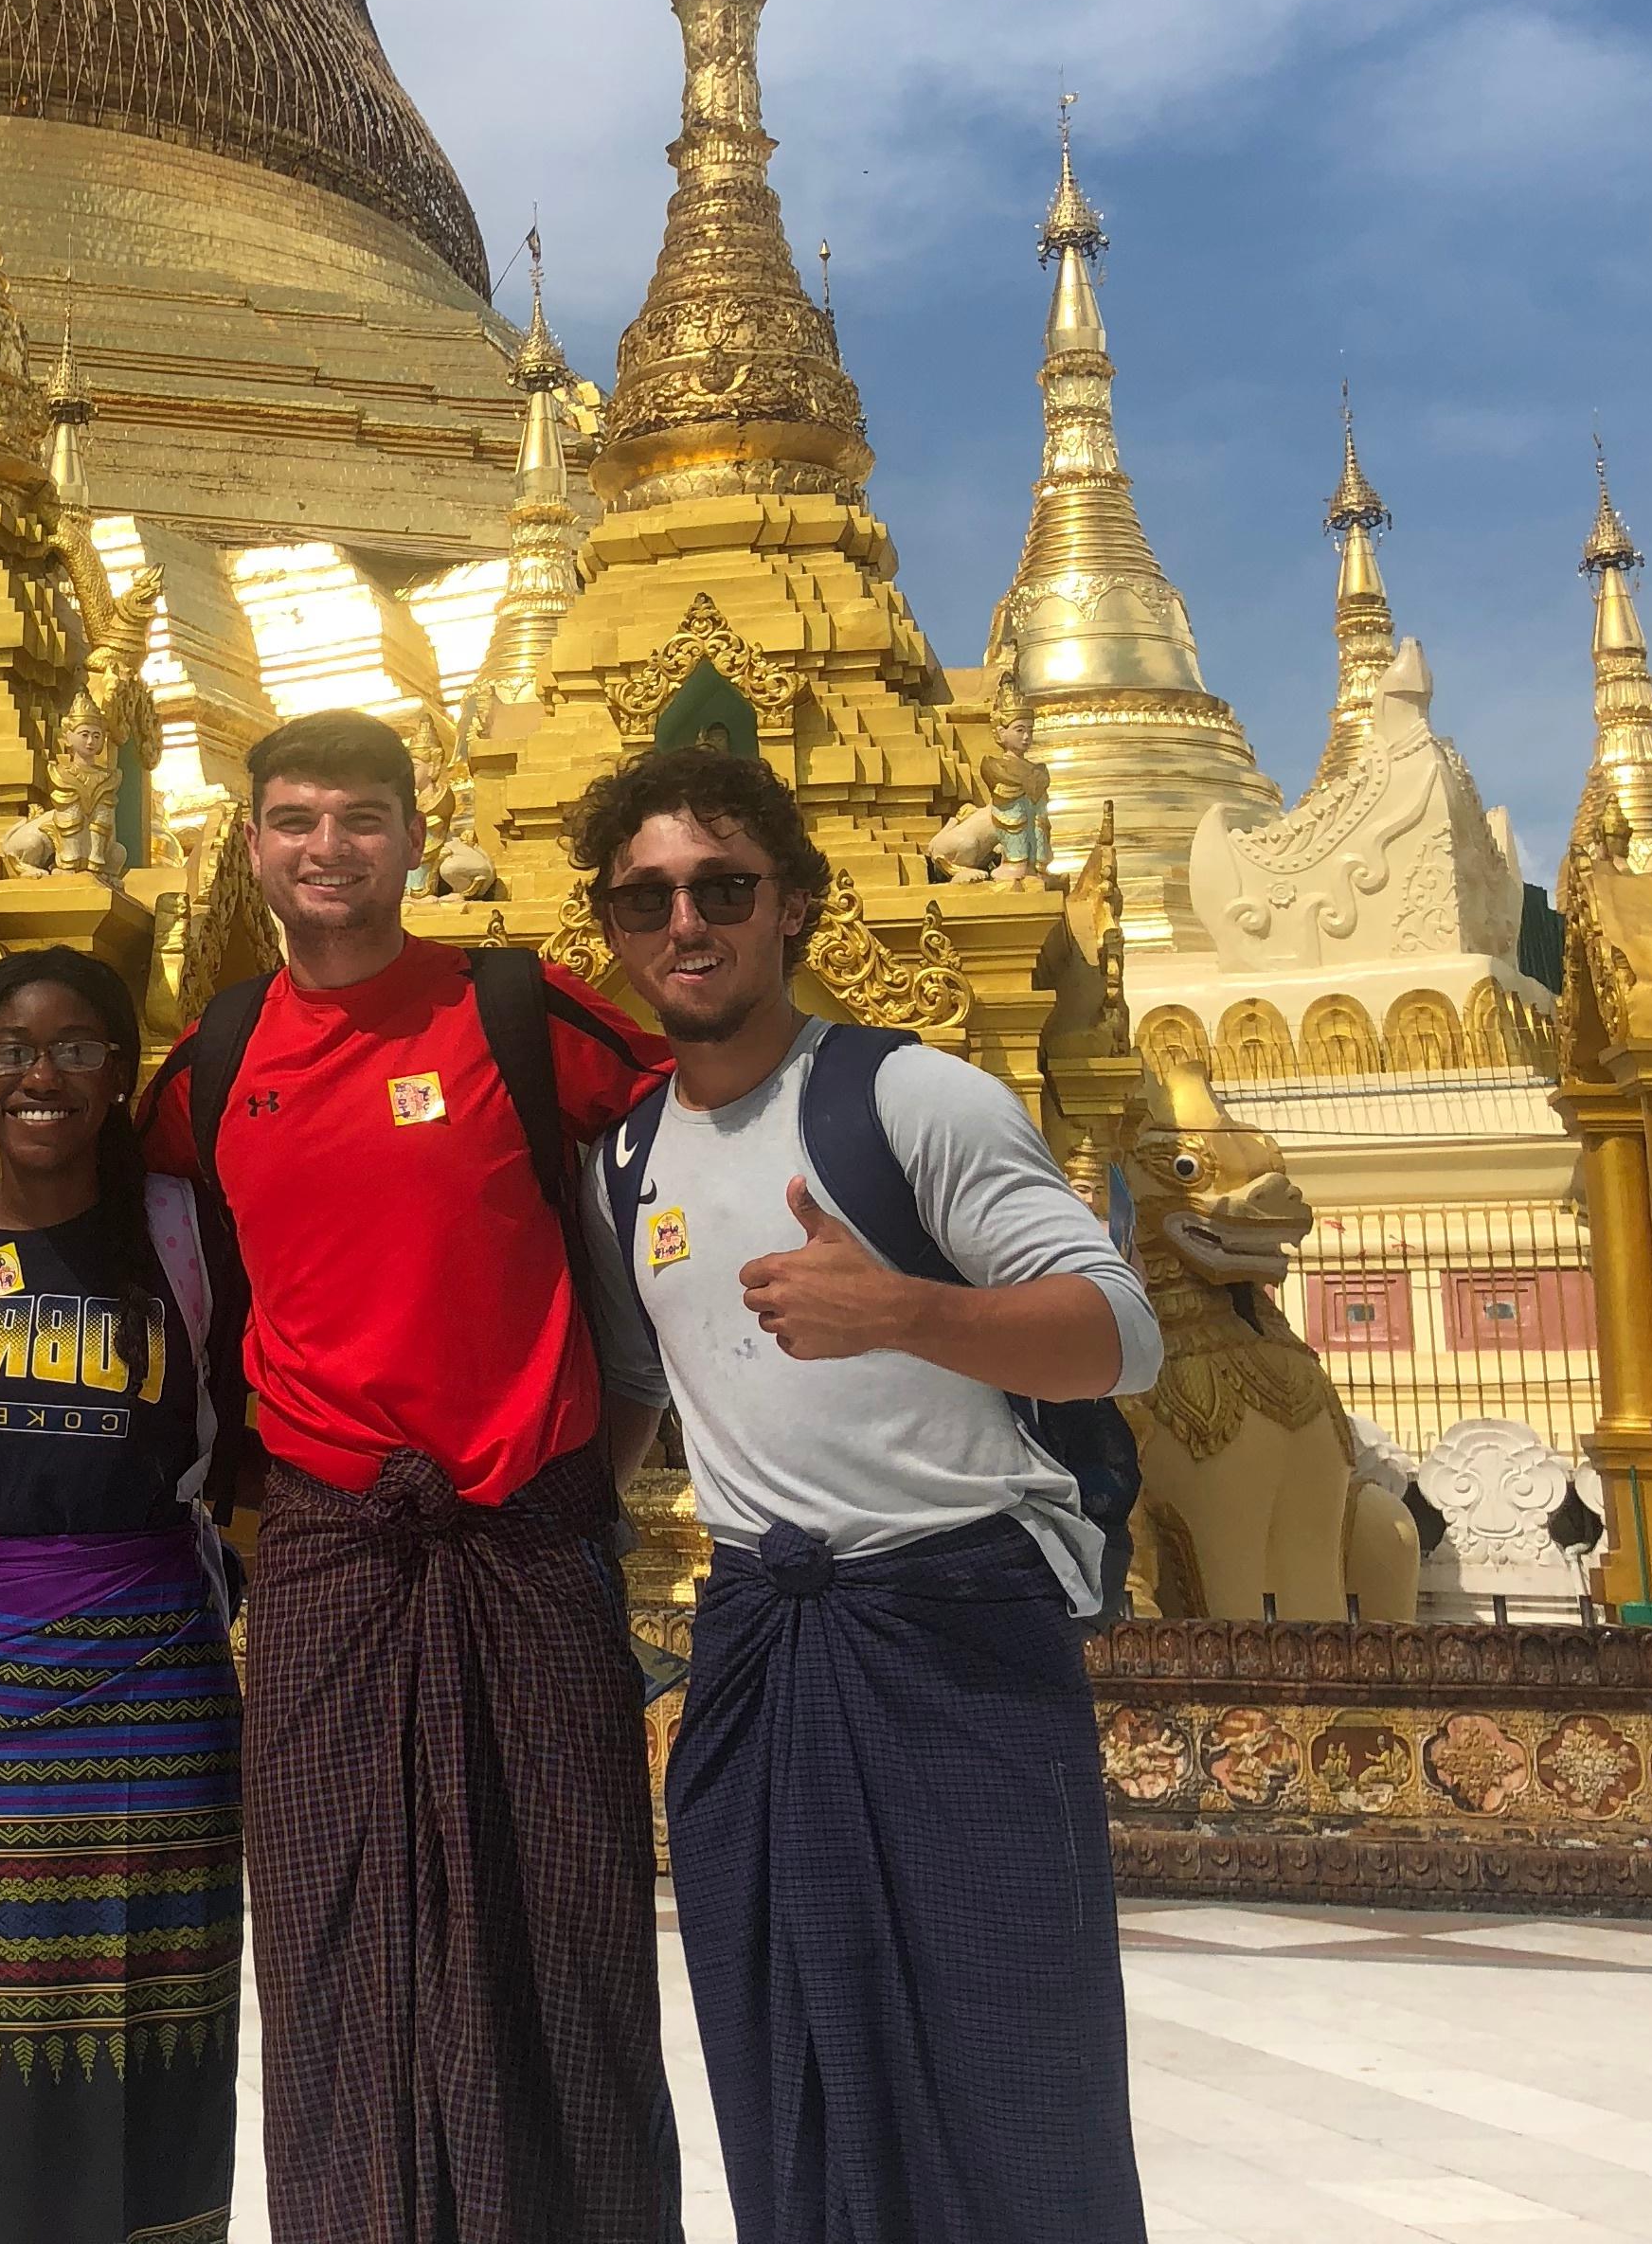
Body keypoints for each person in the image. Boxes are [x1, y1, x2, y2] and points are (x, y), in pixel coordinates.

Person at [572, 742, 1156, 2244]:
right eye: (646, 900)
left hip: (954, 1624)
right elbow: (640, 1389)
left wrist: (904, 1310)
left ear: (796, 906)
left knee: (1012, 2063)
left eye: (722, 888)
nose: (684, 925)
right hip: (764, 1639)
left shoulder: (912, 1099)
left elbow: (1117, 1334)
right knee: (790, 2058)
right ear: (612, 929)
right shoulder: (627, 1160)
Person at [139, 708, 682, 2244]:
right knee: (329, 1940)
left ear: (412, 832)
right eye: (297, 821)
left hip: (522, 1532)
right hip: (326, 1546)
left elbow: (688, 1134)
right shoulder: (216, 1062)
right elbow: (122, 1226)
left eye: (361, 818)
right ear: (252, 847)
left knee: (563, 1932)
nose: (329, 850)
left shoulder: (517, 1011)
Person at [0, 947, 243, 2244]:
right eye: (13, 1049)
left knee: (151, 2013)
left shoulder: (186, 1235)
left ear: (120, 1075)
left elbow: (246, 1439)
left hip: (159, 1683)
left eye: (78, 1048)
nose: (43, 1075)